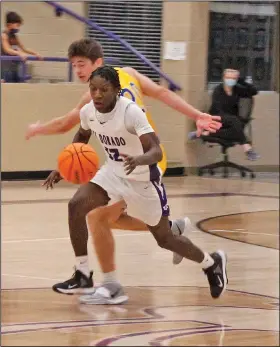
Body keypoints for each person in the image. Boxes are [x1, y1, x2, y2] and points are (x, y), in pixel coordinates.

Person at [25, 38, 222, 295]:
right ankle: (91, 275)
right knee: (90, 211)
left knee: (103, 220)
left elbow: (65, 124)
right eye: (74, 65)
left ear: (98, 63)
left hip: (145, 164)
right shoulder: (107, 89)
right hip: (116, 165)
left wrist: (38, 129)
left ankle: (119, 280)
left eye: (82, 64)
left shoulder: (111, 94)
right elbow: (81, 132)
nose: (78, 71)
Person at [73, 66, 228, 304]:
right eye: (93, 89)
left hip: (144, 179)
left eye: (103, 90)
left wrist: (139, 160)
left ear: (117, 90)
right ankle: (93, 277)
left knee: (164, 239)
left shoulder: (131, 111)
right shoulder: (90, 110)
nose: (97, 94)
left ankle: (210, 262)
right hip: (113, 174)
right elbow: (81, 135)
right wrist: (68, 161)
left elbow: (155, 150)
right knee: (83, 208)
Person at [188, 68, 260, 160]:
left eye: (233, 78)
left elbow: (254, 91)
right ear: (223, 78)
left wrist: (242, 81)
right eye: (228, 77)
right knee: (235, 122)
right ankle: (247, 148)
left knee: (235, 126)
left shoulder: (238, 89)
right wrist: (230, 119)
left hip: (233, 124)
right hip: (218, 120)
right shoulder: (218, 90)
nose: (230, 80)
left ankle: (205, 133)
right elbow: (217, 111)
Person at [1, 11, 42, 83]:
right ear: (9, 25)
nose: (18, 28)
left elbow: (24, 48)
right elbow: (7, 49)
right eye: (17, 25)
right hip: (5, 68)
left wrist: (35, 53)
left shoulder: (14, 37)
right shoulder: (4, 35)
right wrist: (19, 53)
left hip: (13, 67)